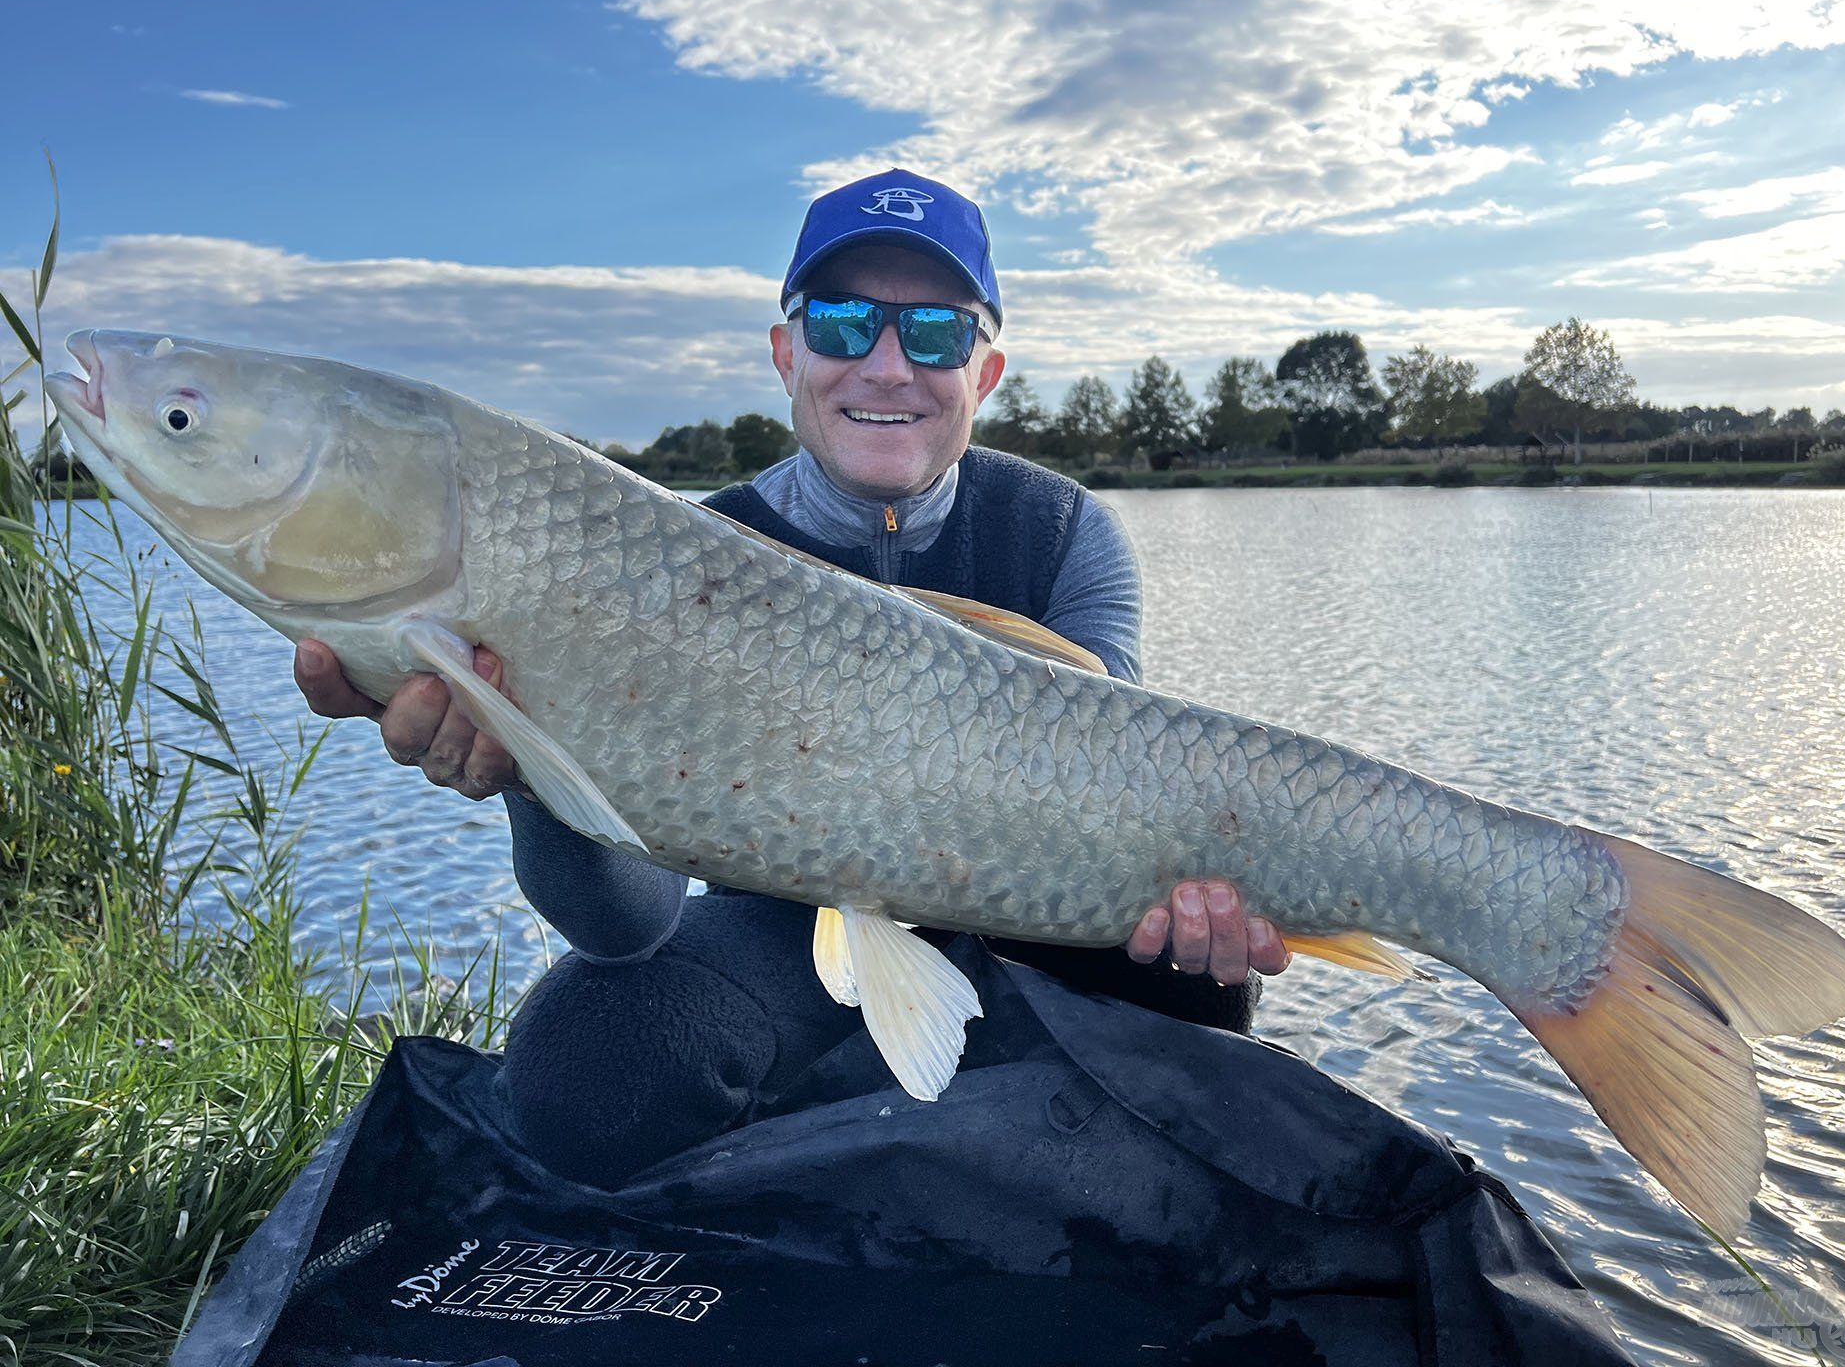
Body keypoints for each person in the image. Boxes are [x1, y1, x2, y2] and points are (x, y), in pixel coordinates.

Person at [292, 168, 1292, 1177]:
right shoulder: (687, 548)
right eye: (845, 324)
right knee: (585, 1073)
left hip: (1044, 921)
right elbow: (624, 924)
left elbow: (1115, 810)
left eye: (936, 332)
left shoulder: (1063, 532)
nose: (889, 367)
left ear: (984, 375)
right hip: (781, 938)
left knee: (1194, 981)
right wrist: (534, 768)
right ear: (786, 355)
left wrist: (1199, 895)